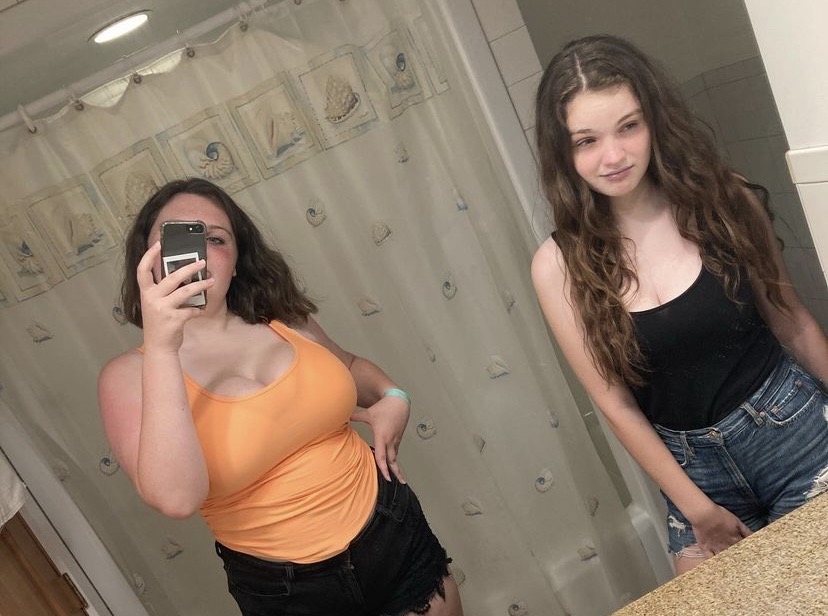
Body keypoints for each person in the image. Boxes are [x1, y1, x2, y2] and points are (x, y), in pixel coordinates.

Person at [531, 34, 828, 575]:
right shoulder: (557, 266)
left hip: (794, 431)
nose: (613, 156)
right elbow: (615, 403)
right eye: (587, 140)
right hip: (693, 475)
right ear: (563, 153)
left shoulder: (724, 201)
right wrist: (697, 509)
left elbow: (793, 321)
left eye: (629, 126)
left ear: (654, 122)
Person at [98, 178, 463, 616]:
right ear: (147, 259)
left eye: (216, 239)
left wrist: (394, 396)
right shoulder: (128, 375)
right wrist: (162, 347)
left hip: (393, 530)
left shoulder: (284, 320)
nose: (199, 253)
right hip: (288, 592)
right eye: (178, 236)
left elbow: (350, 367)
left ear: (236, 262)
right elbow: (177, 499)